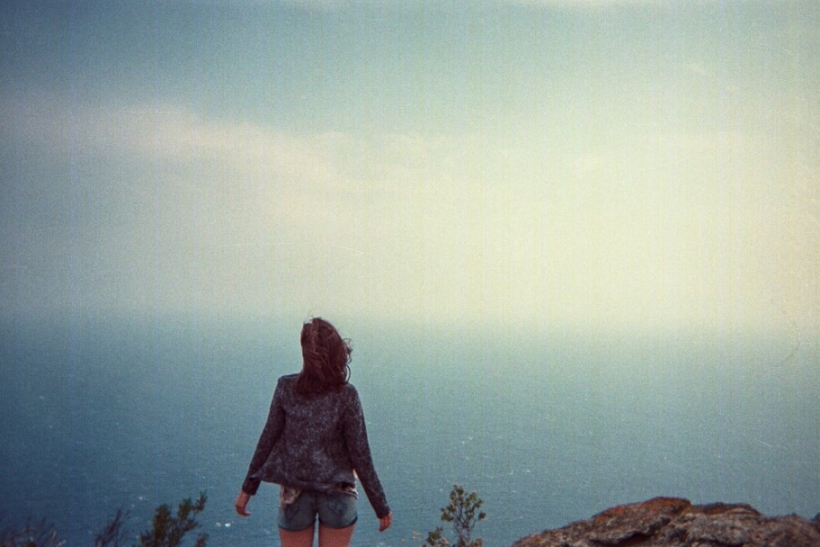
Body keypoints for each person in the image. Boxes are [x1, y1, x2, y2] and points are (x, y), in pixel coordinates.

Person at [235, 317, 392, 547]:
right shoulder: (347, 395)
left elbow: (267, 440)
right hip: (338, 494)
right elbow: (360, 454)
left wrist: (247, 490)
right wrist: (380, 506)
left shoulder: (285, 388)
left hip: (294, 496)